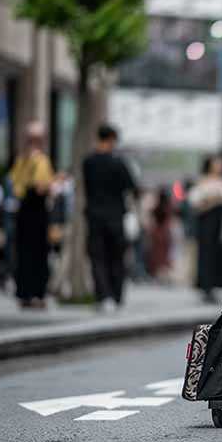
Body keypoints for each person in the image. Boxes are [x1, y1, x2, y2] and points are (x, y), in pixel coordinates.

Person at [83, 124, 138, 311]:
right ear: (112, 139)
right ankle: (115, 296)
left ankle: (103, 296)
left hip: (94, 216)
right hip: (115, 216)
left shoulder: (88, 162)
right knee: (116, 257)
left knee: (97, 257)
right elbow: (132, 186)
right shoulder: (118, 163)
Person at [8, 122, 54, 309]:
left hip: (23, 212)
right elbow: (42, 187)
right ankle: (37, 293)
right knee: (38, 254)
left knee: (24, 254)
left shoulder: (21, 160)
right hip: (37, 212)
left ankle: (24, 293)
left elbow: (13, 184)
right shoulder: (41, 161)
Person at [188, 155, 222, 303]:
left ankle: (214, 285)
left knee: (217, 254)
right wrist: (213, 201)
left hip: (218, 223)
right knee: (205, 254)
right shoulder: (202, 181)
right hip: (205, 223)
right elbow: (195, 202)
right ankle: (205, 286)